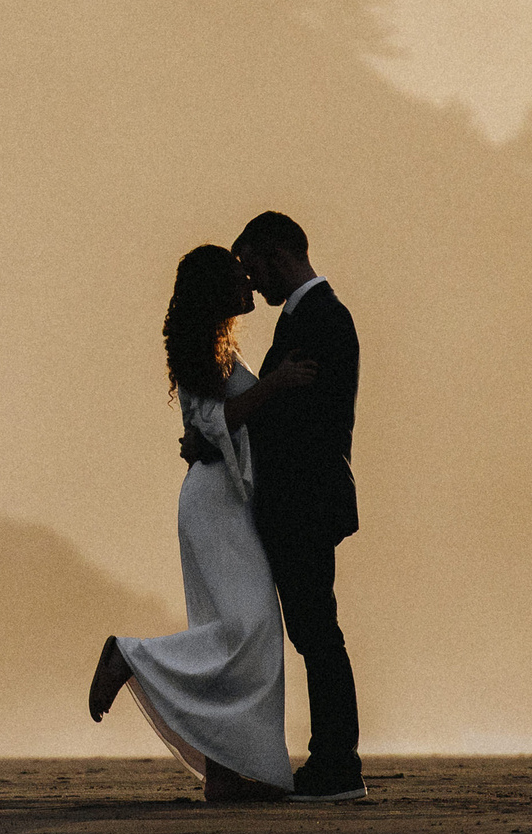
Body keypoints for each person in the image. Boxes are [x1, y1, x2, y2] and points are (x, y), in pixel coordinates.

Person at [88, 244, 316, 801]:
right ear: (217, 290)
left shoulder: (218, 349)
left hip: (226, 500)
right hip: (215, 504)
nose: (249, 283)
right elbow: (217, 420)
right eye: (239, 277)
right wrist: (277, 384)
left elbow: (212, 427)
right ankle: (130, 655)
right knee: (251, 628)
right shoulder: (200, 350)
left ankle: (225, 776)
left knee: (237, 630)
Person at [215, 210, 365, 802]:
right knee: (313, 629)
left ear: (277, 252)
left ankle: (337, 763)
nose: (251, 283)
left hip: (305, 500)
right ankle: (332, 758)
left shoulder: (323, 318)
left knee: (316, 631)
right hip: (302, 499)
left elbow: (307, 422)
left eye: (252, 267)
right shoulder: (311, 317)